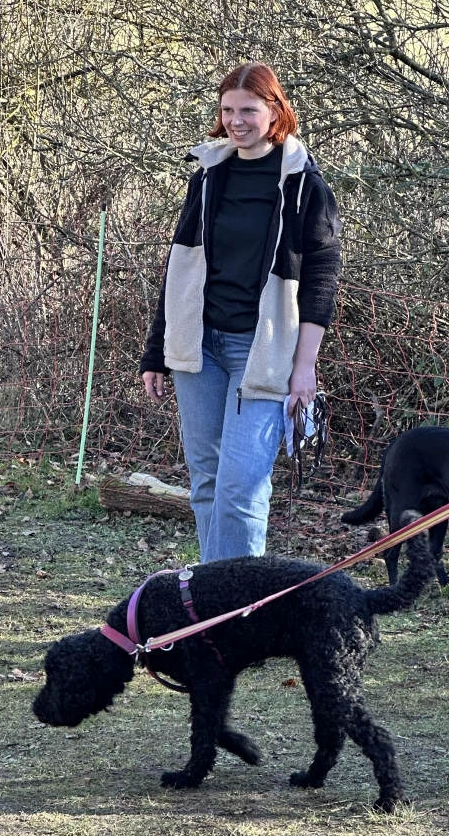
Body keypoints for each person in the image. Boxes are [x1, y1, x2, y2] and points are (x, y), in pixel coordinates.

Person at [140, 63, 341, 561]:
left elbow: (322, 280)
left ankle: (237, 614)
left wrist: (305, 366)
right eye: (227, 110)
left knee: (241, 486)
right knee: (206, 482)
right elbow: (180, 267)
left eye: (248, 110)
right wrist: (156, 350)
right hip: (199, 347)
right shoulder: (208, 175)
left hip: (264, 353)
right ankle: (214, 602)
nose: (236, 121)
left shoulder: (303, 185)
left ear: (275, 111)